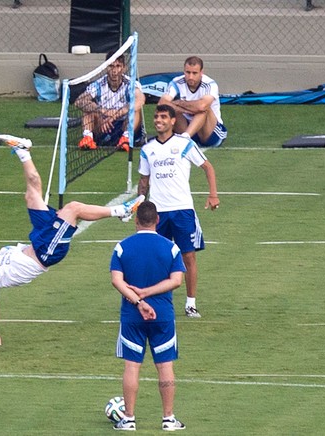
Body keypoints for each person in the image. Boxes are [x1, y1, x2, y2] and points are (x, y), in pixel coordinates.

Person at [0, 134, 145, 347]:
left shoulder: (4, 250)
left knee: (32, 194)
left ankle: (23, 151)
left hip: (40, 239)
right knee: (73, 208)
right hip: (46, 253)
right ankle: (121, 211)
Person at [109, 200, 187, 432]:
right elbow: (176, 281)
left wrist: (138, 300)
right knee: (164, 366)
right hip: (162, 315)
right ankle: (168, 419)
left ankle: (129, 419)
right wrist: (149, 293)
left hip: (132, 315)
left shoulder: (122, 247)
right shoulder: (171, 248)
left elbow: (116, 280)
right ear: (157, 220)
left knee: (132, 366)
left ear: (136, 221)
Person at [137, 105, 219, 318]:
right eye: (156, 117)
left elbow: (207, 167)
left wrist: (213, 195)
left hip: (182, 210)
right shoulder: (147, 149)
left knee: (188, 256)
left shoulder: (184, 144)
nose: (158, 120)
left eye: (163, 117)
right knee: (158, 257)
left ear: (173, 121)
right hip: (158, 212)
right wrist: (139, 204)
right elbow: (144, 181)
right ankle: (157, 301)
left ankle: (190, 304)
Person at [74, 50, 146, 152]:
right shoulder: (98, 84)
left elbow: (140, 99)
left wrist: (115, 114)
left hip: (124, 124)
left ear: (124, 68)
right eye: (111, 66)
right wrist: (102, 110)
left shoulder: (130, 84)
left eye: (118, 66)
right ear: (106, 67)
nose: (114, 71)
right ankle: (88, 139)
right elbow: (79, 101)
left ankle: (125, 139)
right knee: (88, 109)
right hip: (104, 125)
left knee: (135, 111)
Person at [158, 56, 227, 148]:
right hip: (188, 127)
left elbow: (202, 106)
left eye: (194, 73)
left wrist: (180, 103)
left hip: (211, 132)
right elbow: (162, 103)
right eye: (188, 72)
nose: (190, 76)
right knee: (169, 109)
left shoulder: (209, 84)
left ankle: (185, 138)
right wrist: (184, 109)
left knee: (204, 109)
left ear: (201, 72)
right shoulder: (177, 82)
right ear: (184, 71)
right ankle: (184, 138)